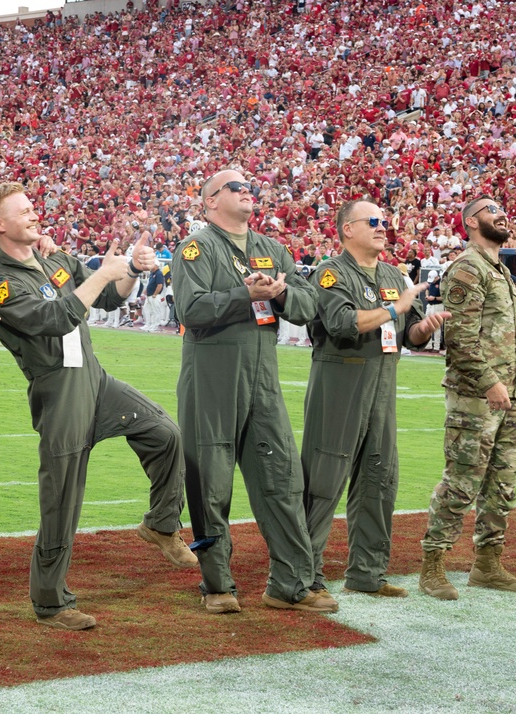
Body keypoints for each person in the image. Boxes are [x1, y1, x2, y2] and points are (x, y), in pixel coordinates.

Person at [0, 183, 194, 631]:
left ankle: (161, 523)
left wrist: (131, 269)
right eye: (25, 210)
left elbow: (111, 298)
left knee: (164, 432)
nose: (36, 214)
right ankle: (51, 602)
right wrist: (100, 274)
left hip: (95, 378)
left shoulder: (55, 259)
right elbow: (55, 319)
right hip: (59, 391)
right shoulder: (3, 282)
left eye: (35, 207)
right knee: (62, 498)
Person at [172, 169, 335, 615]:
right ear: (209, 201)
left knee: (282, 478)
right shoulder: (196, 248)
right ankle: (217, 584)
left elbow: (307, 306)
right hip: (212, 376)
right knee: (211, 484)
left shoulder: (271, 248)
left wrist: (280, 295)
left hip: (263, 378)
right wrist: (243, 293)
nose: (247, 192)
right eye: (235, 187)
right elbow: (191, 308)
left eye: (249, 187)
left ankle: (291, 584)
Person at [303, 199, 449, 599]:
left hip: (383, 387)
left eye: (385, 221)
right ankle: (303, 575)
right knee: (323, 480)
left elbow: (410, 332)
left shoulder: (393, 274)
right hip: (340, 384)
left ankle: (367, 572)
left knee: (379, 480)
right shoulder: (331, 273)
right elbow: (341, 323)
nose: (383, 226)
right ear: (348, 229)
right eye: (373, 221)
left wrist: (424, 326)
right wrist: (394, 307)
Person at [419, 195, 516, 601]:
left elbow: (503, 332)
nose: (502, 214)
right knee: (461, 483)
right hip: (477, 398)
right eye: (492, 210)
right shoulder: (467, 268)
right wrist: (489, 382)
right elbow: (459, 337)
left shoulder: (503, 273)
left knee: (502, 485)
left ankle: (487, 564)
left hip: (511, 397)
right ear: (472, 222)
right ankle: (432, 565)